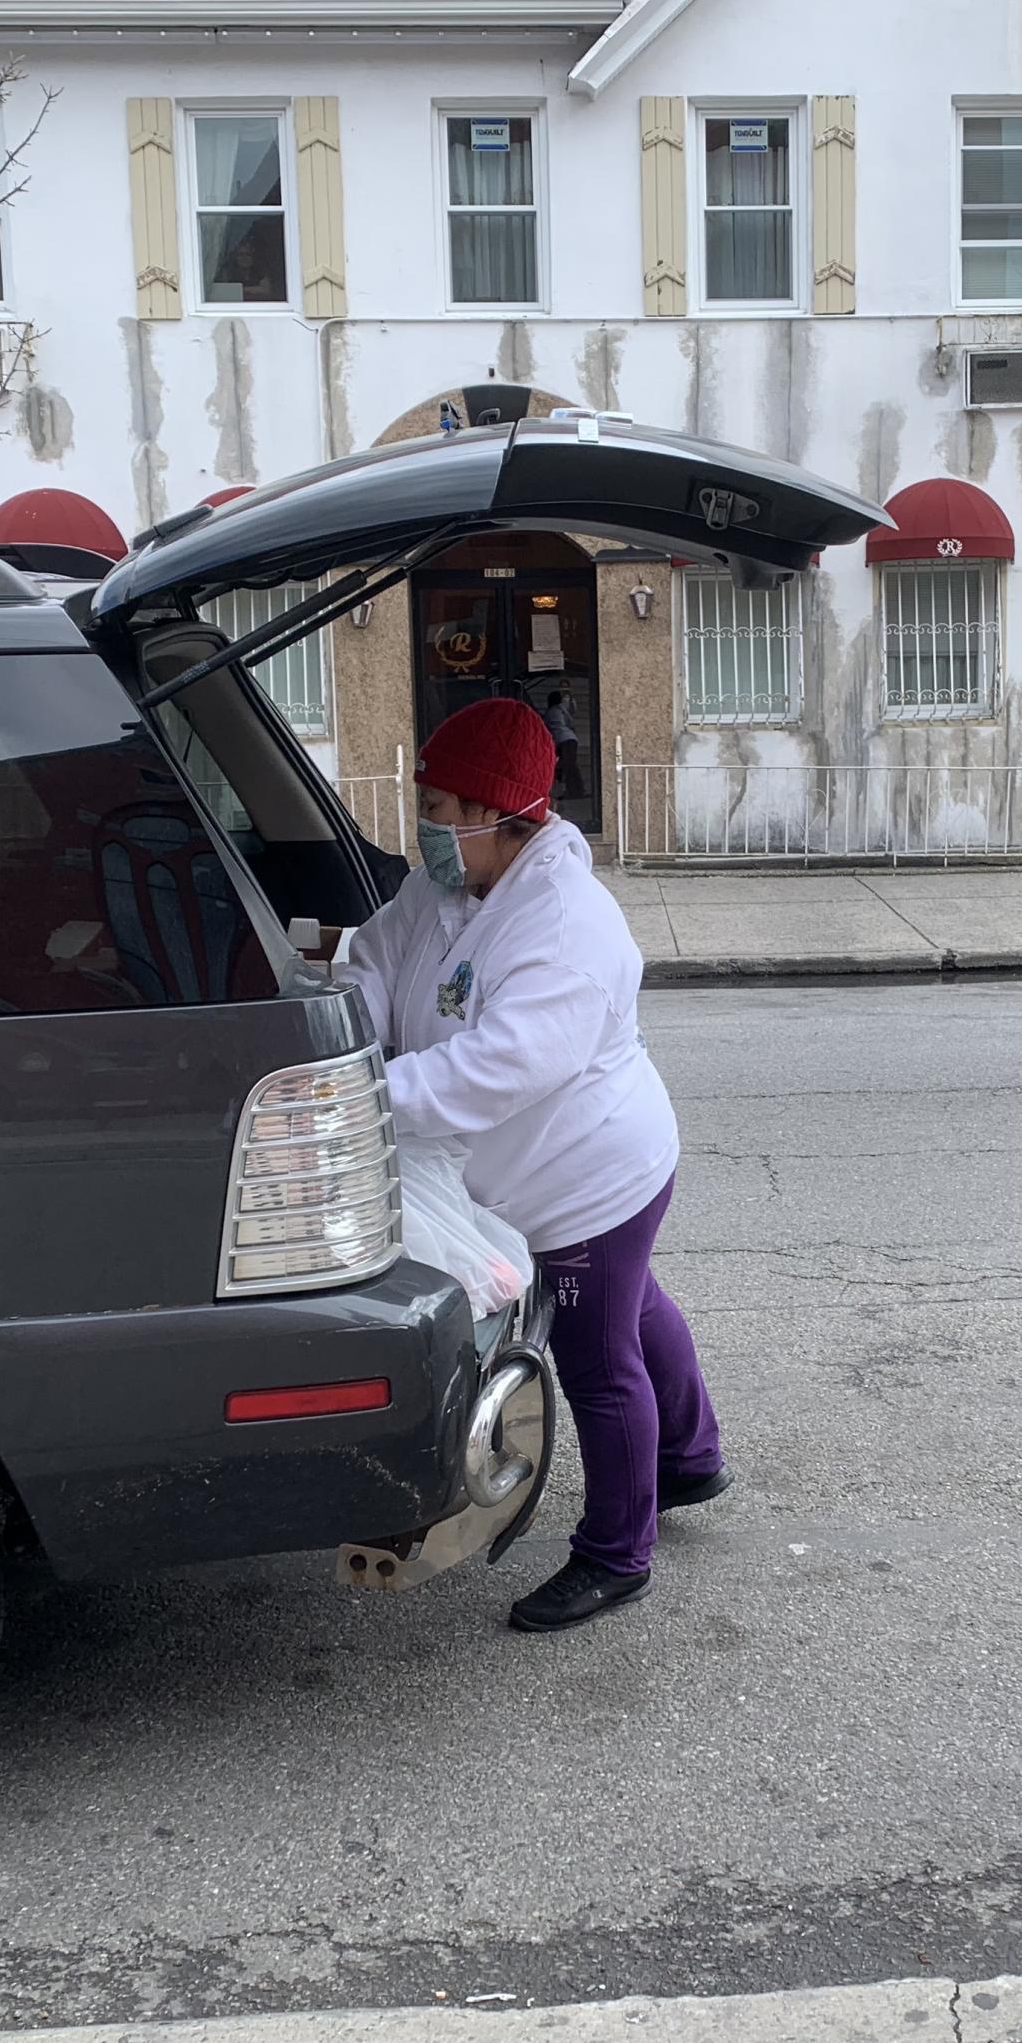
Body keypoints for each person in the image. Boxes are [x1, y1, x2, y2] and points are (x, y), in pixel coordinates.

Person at [340, 699, 727, 1632]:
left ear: (497, 816)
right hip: (552, 1165)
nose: (425, 825)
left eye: (438, 805)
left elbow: (494, 1071)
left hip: (586, 1181)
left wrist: (362, 1094)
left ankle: (616, 1554)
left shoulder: (562, 926)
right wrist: (350, 1021)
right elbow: (376, 957)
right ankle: (691, 1457)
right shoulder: (451, 886)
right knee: (637, 1308)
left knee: (598, 1360)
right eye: (422, 801)